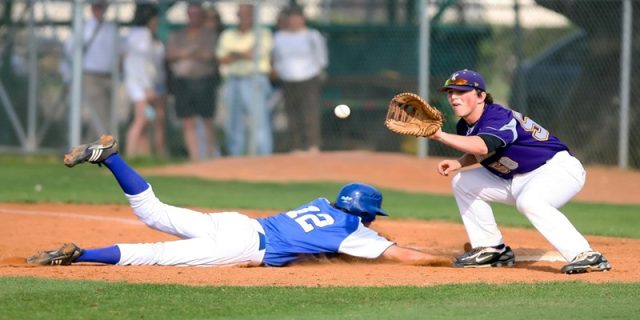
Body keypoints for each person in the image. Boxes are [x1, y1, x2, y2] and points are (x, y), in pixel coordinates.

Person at [27, 134, 451, 268]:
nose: (373, 224)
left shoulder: (323, 204)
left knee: (153, 211)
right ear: (362, 213)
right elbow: (402, 256)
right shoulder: (350, 231)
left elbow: (316, 243)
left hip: (237, 222)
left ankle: (113, 158)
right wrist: (446, 260)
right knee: (154, 254)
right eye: (371, 217)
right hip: (242, 246)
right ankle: (81, 255)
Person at [430, 69, 612, 274]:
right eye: (450, 92)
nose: (454, 97)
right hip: (517, 178)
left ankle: (586, 255)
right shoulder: (465, 125)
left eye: (461, 92)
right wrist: (460, 163)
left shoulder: (497, 116)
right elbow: (485, 150)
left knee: (530, 202)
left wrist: (440, 136)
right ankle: (492, 250)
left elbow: (483, 145)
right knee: (463, 182)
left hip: (556, 169)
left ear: (481, 96)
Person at [217, 4, 273, 156]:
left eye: (247, 14)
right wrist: (242, 53)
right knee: (233, 122)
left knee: (259, 120)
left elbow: (254, 55)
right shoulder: (228, 35)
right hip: (233, 79)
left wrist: (234, 54)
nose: (244, 18)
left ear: (254, 16)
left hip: (255, 79)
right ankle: (235, 157)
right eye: (241, 14)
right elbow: (223, 59)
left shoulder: (263, 33)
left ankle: (264, 156)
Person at [59, 1, 119, 142]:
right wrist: (67, 77)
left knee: (106, 116)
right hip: (90, 75)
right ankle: (100, 149)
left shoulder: (110, 28)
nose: (99, 10)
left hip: (109, 76)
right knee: (99, 115)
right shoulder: (84, 28)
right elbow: (68, 53)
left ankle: (92, 149)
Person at [271, 6, 328, 153]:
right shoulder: (279, 37)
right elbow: (275, 59)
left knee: (310, 112)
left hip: (309, 78)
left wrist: (318, 73)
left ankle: (312, 145)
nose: (295, 21)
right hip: (287, 79)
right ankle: (296, 146)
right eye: (292, 18)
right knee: (291, 113)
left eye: (298, 18)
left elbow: (321, 58)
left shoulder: (312, 35)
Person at [165, 3, 218, 161]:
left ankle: (209, 156)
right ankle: (195, 158)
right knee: (187, 120)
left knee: (207, 119)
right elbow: (170, 55)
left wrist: (183, 53)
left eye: (197, 15)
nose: (193, 18)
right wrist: (191, 52)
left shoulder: (209, 34)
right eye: (191, 14)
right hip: (183, 82)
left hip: (204, 81)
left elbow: (209, 55)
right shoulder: (178, 34)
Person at [123, 3, 167, 158]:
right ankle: (130, 154)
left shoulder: (138, 35)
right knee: (141, 120)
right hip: (140, 86)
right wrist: (147, 88)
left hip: (143, 84)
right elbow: (142, 65)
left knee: (147, 119)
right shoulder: (142, 36)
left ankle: (142, 155)